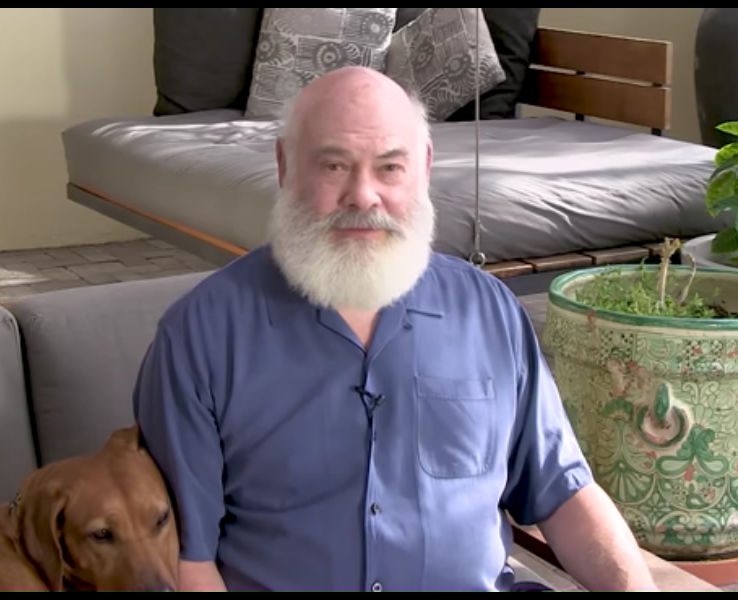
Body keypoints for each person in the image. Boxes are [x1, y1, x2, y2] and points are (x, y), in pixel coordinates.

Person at [132, 66, 659, 592]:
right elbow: (188, 562)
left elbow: (565, 494)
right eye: (334, 165)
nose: (363, 196)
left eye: (389, 167)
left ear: (424, 168)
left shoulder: (489, 311)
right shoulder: (199, 337)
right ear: (284, 166)